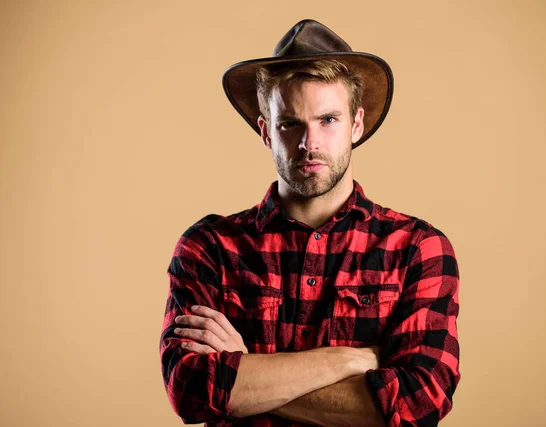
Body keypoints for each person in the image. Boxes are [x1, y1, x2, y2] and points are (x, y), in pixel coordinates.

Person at [159, 19, 460, 427]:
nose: (309, 143)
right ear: (266, 131)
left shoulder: (416, 249)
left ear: (356, 124)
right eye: (290, 124)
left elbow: (417, 403)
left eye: (328, 120)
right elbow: (191, 388)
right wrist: (349, 360)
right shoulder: (210, 247)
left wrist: (248, 375)